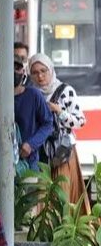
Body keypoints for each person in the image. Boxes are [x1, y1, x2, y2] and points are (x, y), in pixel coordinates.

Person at [29, 53, 90, 213]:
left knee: (64, 196)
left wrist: (60, 111)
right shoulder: (31, 94)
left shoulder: (65, 91)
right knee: (42, 199)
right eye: (35, 72)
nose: (40, 76)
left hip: (63, 153)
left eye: (44, 71)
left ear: (51, 70)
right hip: (40, 153)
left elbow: (80, 121)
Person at [14, 55, 53, 171]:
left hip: (28, 161)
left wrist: (30, 144)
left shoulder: (33, 94)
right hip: (2, 160)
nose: (14, 72)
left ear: (23, 71)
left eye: (18, 68)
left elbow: (48, 124)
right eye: (10, 67)